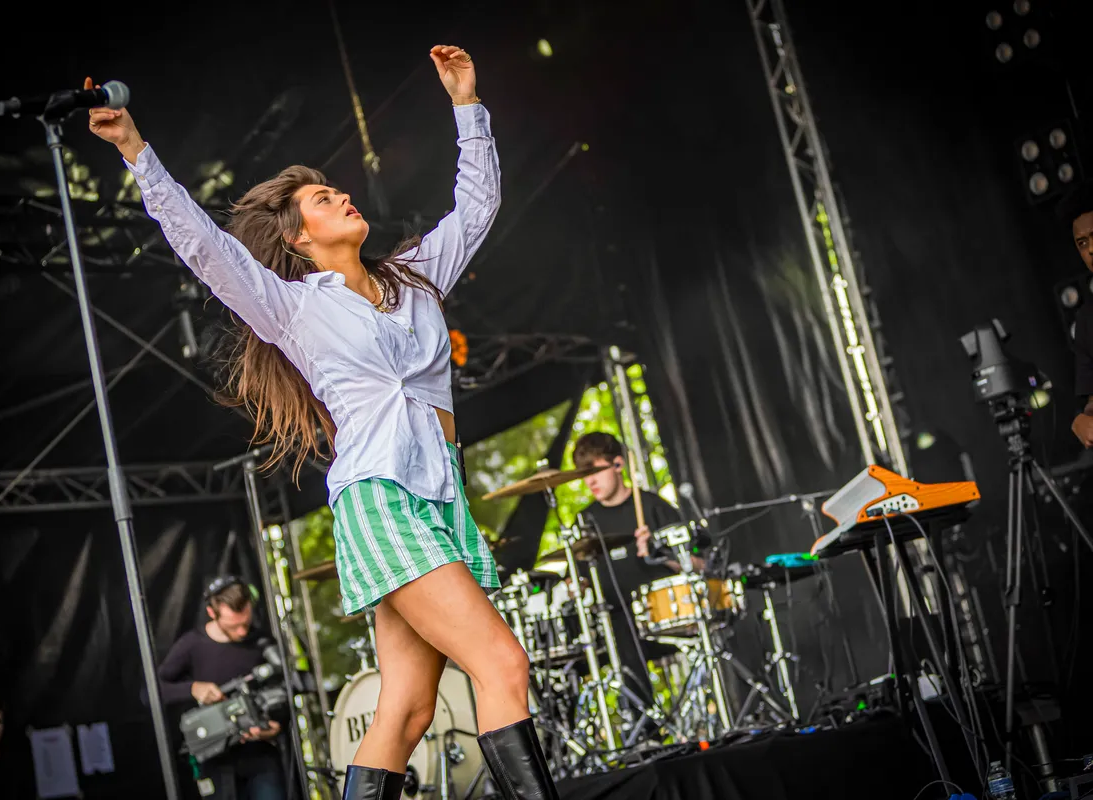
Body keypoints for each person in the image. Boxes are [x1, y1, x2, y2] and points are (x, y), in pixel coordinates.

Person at [87, 44, 556, 800]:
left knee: (407, 710)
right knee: (501, 664)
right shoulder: (293, 308)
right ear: (299, 239)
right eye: (323, 199)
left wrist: (466, 105)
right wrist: (136, 152)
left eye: (339, 191)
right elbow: (204, 246)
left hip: (441, 494)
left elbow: (477, 205)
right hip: (381, 498)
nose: (342, 198)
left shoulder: (417, 280)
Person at [573, 432, 707, 701]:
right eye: (584, 475)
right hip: (617, 625)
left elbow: (702, 565)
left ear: (618, 464)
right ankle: (642, 721)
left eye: (595, 471)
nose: (590, 481)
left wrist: (660, 552)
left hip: (667, 616)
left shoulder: (652, 506)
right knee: (617, 635)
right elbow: (579, 579)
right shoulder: (585, 521)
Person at [157, 576, 285, 800]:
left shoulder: (261, 642)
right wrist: (192, 688)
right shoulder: (192, 644)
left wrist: (276, 726)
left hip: (260, 757)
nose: (242, 632)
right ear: (212, 613)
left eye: (246, 622)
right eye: (233, 626)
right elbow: (151, 692)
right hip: (214, 759)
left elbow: (283, 692)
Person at [1065, 185, 1093, 447]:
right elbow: (1089, 398)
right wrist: (1080, 420)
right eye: (1082, 243)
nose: (1091, 250)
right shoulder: (1086, 319)